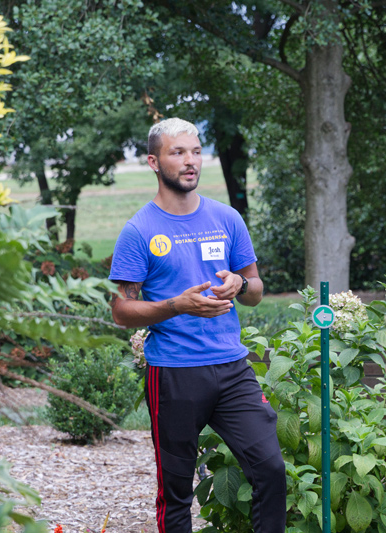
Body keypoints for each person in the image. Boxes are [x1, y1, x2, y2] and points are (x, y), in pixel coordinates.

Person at [109, 118, 286, 533]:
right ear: (154, 161)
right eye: (178, 152)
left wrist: (239, 283)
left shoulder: (227, 219)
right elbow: (121, 311)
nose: (190, 162)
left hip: (232, 369)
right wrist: (176, 305)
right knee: (175, 493)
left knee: (270, 470)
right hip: (173, 372)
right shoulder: (139, 231)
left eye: (195, 151)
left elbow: (256, 289)